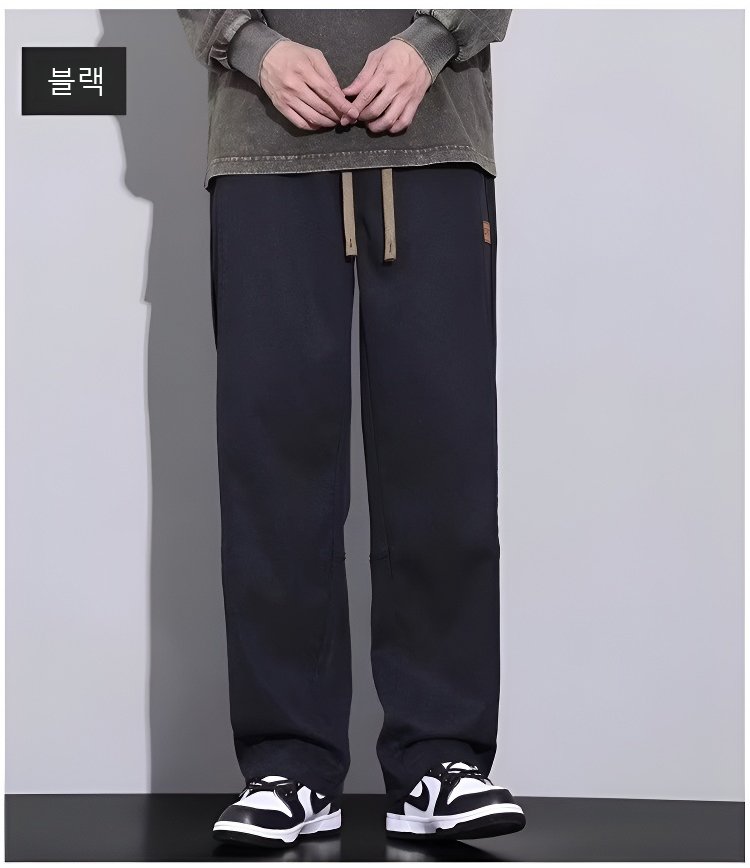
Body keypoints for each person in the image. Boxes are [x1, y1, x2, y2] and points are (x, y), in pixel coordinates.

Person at [177, 8, 525, 848]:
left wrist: (430, 39)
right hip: (263, 137)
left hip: (433, 131)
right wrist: (252, 44)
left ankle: (441, 758)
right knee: (273, 465)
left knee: (443, 459)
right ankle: (288, 764)